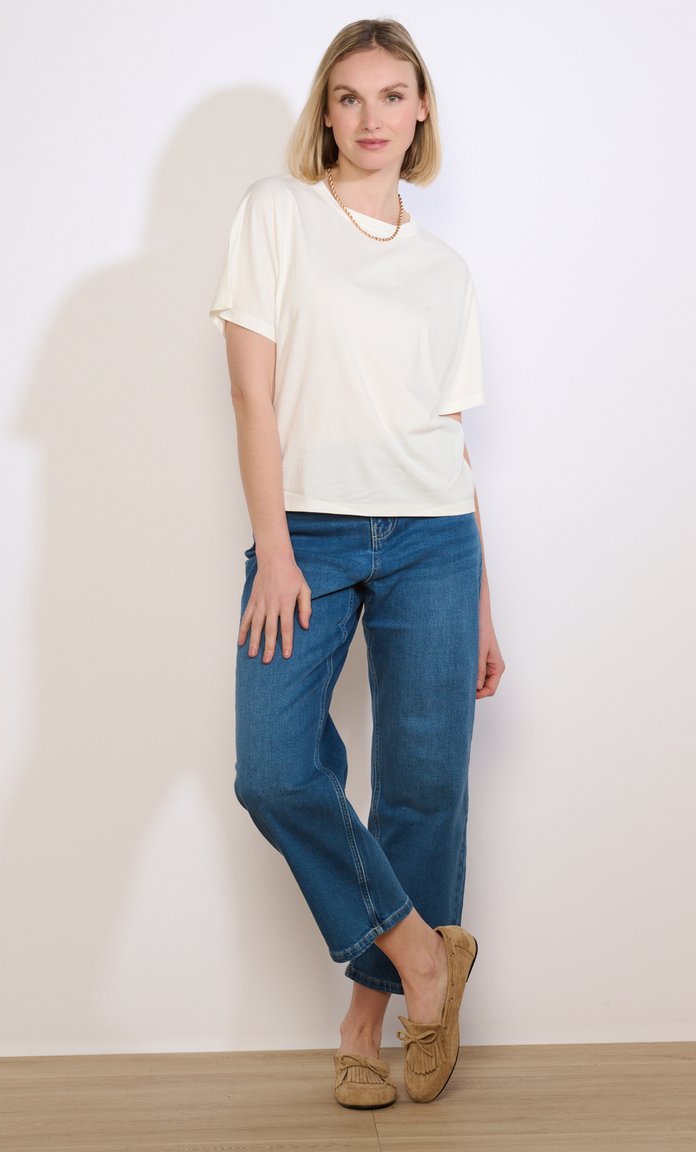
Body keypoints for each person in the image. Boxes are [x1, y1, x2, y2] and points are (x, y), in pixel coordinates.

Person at [210, 18, 504, 1109]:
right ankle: (427, 957)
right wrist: (278, 553)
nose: (370, 117)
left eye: (391, 96)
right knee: (273, 769)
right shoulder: (276, 213)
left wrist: (483, 607)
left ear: (419, 111)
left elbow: (451, 446)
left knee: (423, 783)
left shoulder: (443, 271)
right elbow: (250, 396)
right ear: (325, 114)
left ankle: (364, 1020)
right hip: (310, 536)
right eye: (349, 97)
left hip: (435, 539)